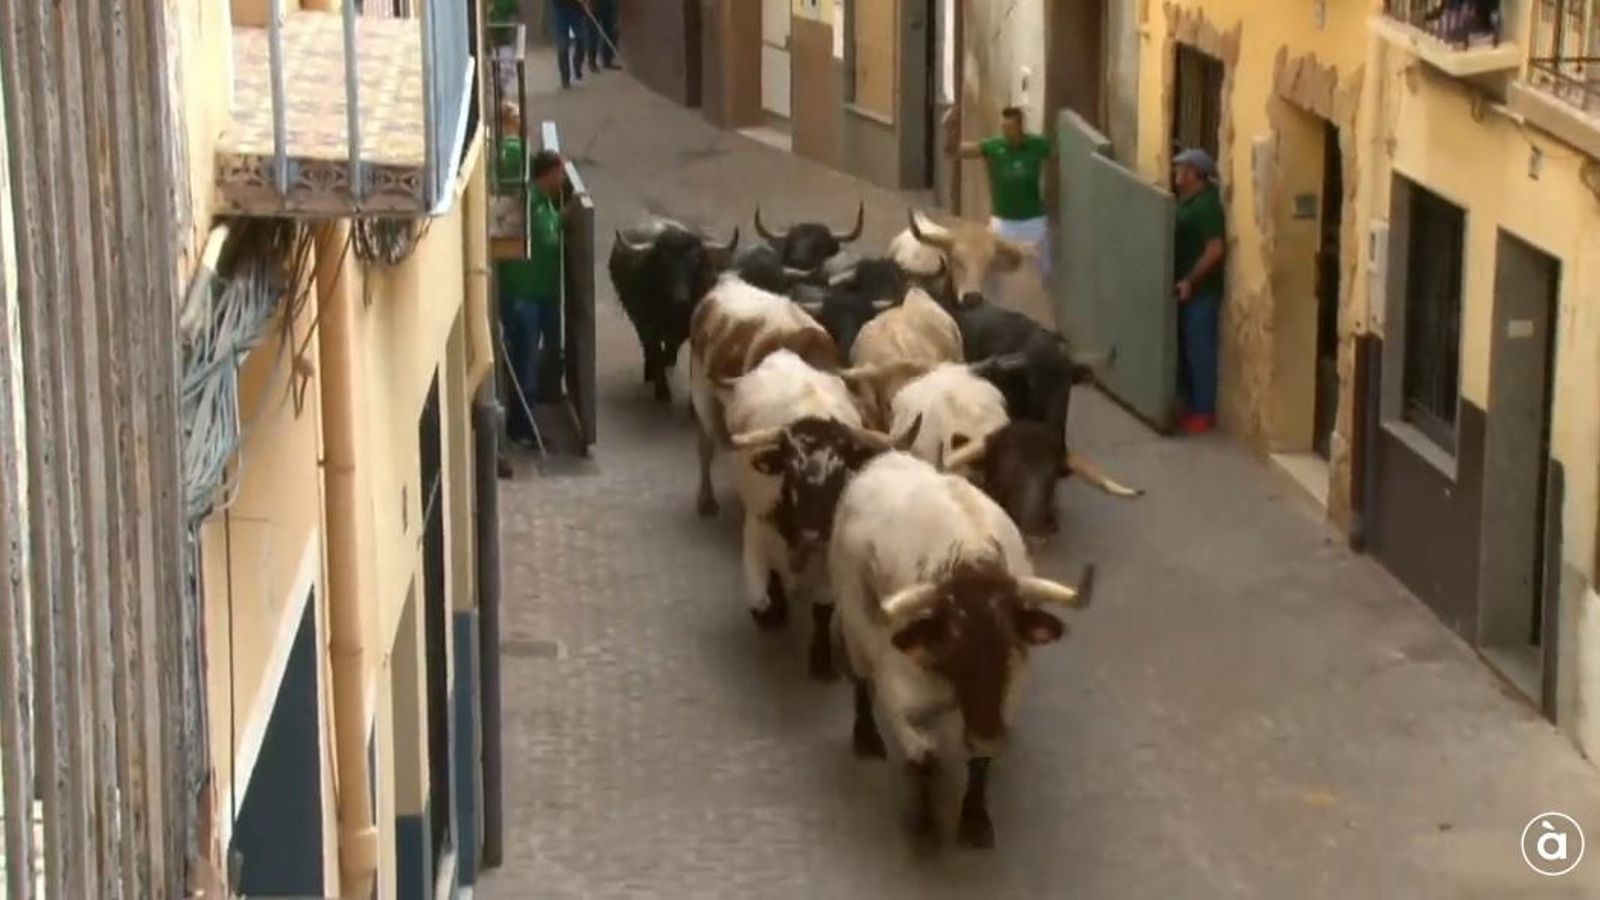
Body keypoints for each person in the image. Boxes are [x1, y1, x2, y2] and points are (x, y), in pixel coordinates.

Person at [500, 150, 586, 441]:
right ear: (548, 174)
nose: (562, 179)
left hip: (539, 298)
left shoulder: (545, 205)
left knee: (534, 361)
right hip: (524, 299)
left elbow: (551, 230)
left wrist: (567, 215)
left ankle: (532, 415)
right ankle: (522, 429)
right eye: (560, 173)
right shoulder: (527, 204)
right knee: (525, 364)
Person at [945, 105, 1055, 279]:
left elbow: (1058, 155)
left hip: (1033, 221)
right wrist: (949, 130)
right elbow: (955, 152)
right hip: (1003, 223)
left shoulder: (1038, 145)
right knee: (995, 273)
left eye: (1010, 128)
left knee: (1043, 273)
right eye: (1004, 128)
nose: (1006, 132)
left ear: (1020, 126)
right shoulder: (993, 146)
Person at [1171, 147, 1227, 435]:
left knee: (1200, 351)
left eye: (1181, 168)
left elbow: (1215, 248)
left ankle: (1203, 412)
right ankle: (1191, 405)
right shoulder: (1188, 201)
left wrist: (1191, 280)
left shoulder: (1206, 206)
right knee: (1188, 351)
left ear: (1194, 173)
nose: (1176, 173)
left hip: (1201, 293)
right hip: (1185, 290)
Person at [550, 0, 591, 90]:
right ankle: (565, 78)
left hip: (577, 11)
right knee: (563, 45)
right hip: (560, 9)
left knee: (582, 40)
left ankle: (577, 64)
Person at [584, 0, 622, 72]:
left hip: (609, 4)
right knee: (592, 35)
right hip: (593, 4)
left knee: (611, 31)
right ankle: (592, 62)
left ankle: (607, 61)